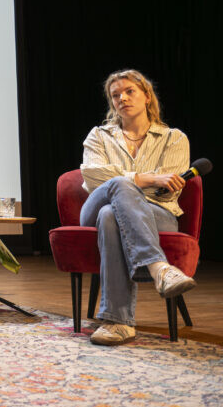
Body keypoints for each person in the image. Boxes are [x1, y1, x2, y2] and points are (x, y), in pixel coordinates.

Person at [80, 68, 196, 346]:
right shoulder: (98, 136)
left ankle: (117, 322)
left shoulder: (174, 138)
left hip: (158, 213)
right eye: (115, 95)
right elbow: (94, 177)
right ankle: (159, 269)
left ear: (146, 96)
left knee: (112, 215)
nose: (122, 98)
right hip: (94, 207)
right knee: (116, 189)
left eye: (129, 91)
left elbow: (165, 192)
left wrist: (134, 182)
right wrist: (147, 178)